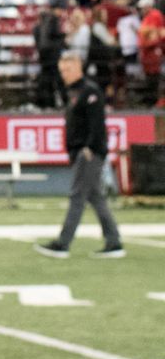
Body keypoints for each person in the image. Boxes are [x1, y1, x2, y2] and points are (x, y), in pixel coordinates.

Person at [35, 52, 125, 259]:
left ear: (77, 67)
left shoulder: (90, 91)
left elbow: (96, 125)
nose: (64, 74)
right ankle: (114, 242)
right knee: (96, 197)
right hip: (80, 152)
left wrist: (88, 148)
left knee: (77, 197)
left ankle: (62, 244)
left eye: (66, 70)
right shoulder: (75, 92)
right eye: (61, 71)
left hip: (89, 153)